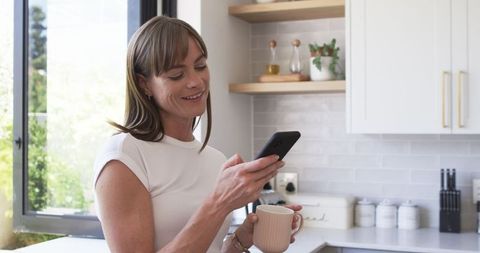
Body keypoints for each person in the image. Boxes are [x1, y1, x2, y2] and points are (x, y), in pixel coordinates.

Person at [93, 16, 301, 253]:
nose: (195, 81)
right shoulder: (124, 157)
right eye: (176, 75)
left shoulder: (214, 159)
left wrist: (240, 241)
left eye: (200, 66)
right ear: (144, 84)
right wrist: (219, 203)